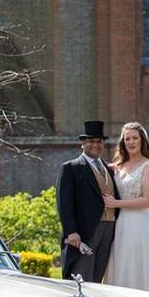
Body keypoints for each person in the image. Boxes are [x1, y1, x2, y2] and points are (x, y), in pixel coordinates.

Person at [102, 122, 149, 296]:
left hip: (138, 224)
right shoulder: (119, 166)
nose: (131, 142)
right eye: (127, 139)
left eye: (135, 138)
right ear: (122, 142)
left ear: (142, 141)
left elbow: (148, 201)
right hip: (119, 224)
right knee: (119, 264)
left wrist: (116, 203)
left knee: (135, 264)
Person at [55, 120, 120, 282]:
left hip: (109, 227)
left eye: (99, 141)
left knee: (98, 277)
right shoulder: (71, 168)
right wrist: (71, 231)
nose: (96, 145)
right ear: (83, 144)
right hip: (85, 230)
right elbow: (64, 203)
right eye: (91, 141)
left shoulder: (108, 169)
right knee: (82, 277)